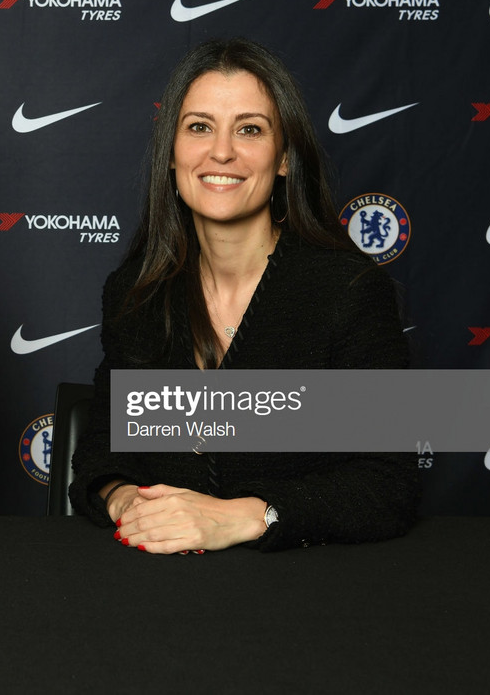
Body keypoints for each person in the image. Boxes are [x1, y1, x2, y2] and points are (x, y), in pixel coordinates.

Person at [69, 38, 417, 553]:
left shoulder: (346, 291)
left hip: (303, 601)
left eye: (249, 129)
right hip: (157, 596)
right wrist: (125, 501)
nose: (222, 151)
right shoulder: (136, 295)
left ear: (283, 160)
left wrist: (248, 516)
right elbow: (101, 452)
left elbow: (387, 482)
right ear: (171, 153)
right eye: (199, 127)